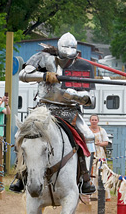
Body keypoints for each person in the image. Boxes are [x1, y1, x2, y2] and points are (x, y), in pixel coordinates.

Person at [9, 32, 95, 195]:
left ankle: (86, 179)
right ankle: (20, 174)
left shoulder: (83, 66)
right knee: (20, 134)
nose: (68, 59)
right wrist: (43, 75)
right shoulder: (42, 57)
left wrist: (76, 95)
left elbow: (92, 99)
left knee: (89, 136)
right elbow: (23, 75)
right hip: (44, 109)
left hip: (70, 111)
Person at [88, 114, 112, 200]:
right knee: (91, 172)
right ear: (90, 121)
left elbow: (106, 142)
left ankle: (104, 195)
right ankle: (91, 194)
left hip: (100, 153)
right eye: (92, 120)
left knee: (101, 172)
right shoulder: (87, 130)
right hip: (90, 152)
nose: (94, 121)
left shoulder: (102, 130)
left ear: (98, 121)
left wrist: (100, 144)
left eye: (95, 120)